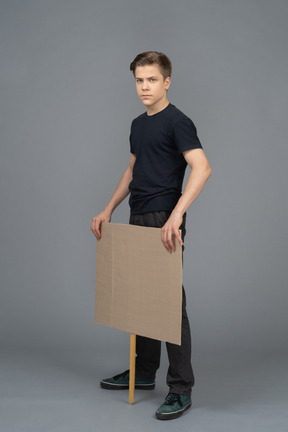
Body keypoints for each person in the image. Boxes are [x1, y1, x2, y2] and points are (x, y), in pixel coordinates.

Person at [91, 51, 211, 420]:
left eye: (152, 80)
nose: (145, 87)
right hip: (137, 213)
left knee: (170, 306)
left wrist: (176, 216)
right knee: (139, 299)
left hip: (164, 218)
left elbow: (202, 168)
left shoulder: (178, 121)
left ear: (167, 82)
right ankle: (144, 374)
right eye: (140, 80)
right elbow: (132, 169)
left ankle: (180, 388)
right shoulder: (137, 124)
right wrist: (108, 208)